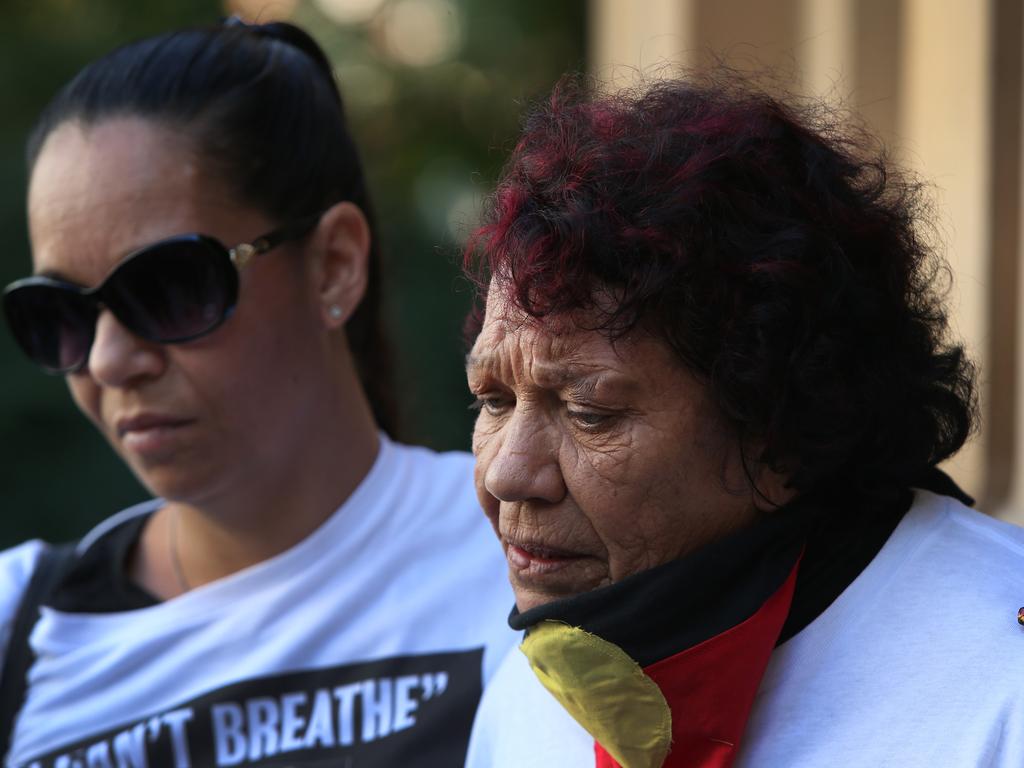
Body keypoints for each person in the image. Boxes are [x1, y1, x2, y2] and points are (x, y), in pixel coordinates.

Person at [462, 74, 1024, 767]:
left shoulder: (1003, 684)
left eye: (590, 413)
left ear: (782, 430)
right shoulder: (535, 688)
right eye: (493, 400)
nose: (508, 474)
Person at [0, 18, 515, 768]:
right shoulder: (20, 623)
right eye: (61, 314)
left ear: (334, 264)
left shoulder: (521, 559)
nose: (110, 360)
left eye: (168, 288)